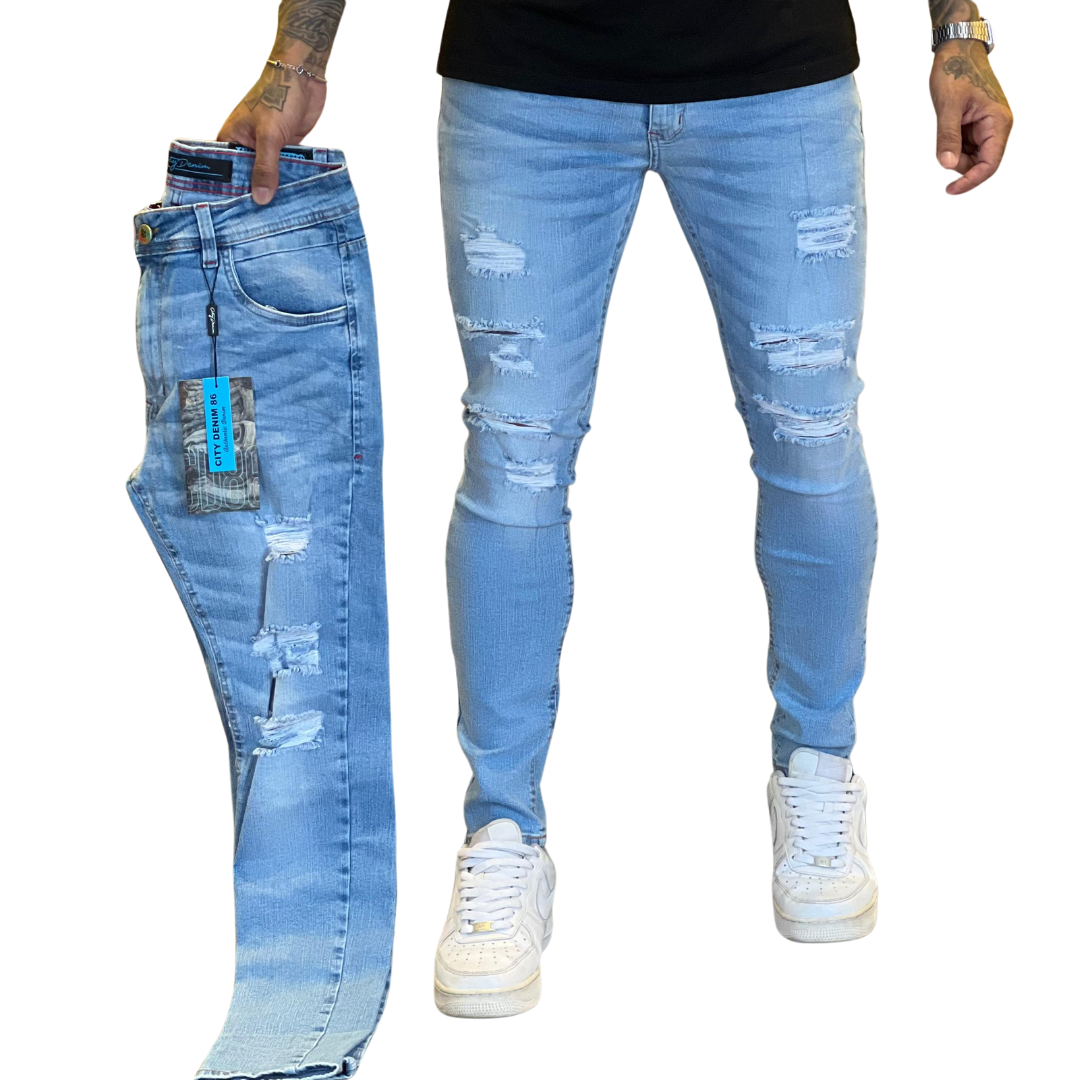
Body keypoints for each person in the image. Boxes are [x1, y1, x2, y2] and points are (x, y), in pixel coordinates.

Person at [216, 0, 1014, 1020]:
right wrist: (296, 57)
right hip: (525, 78)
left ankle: (818, 768)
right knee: (512, 456)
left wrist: (957, 36)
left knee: (811, 433)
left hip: (778, 76)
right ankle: (502, 830)